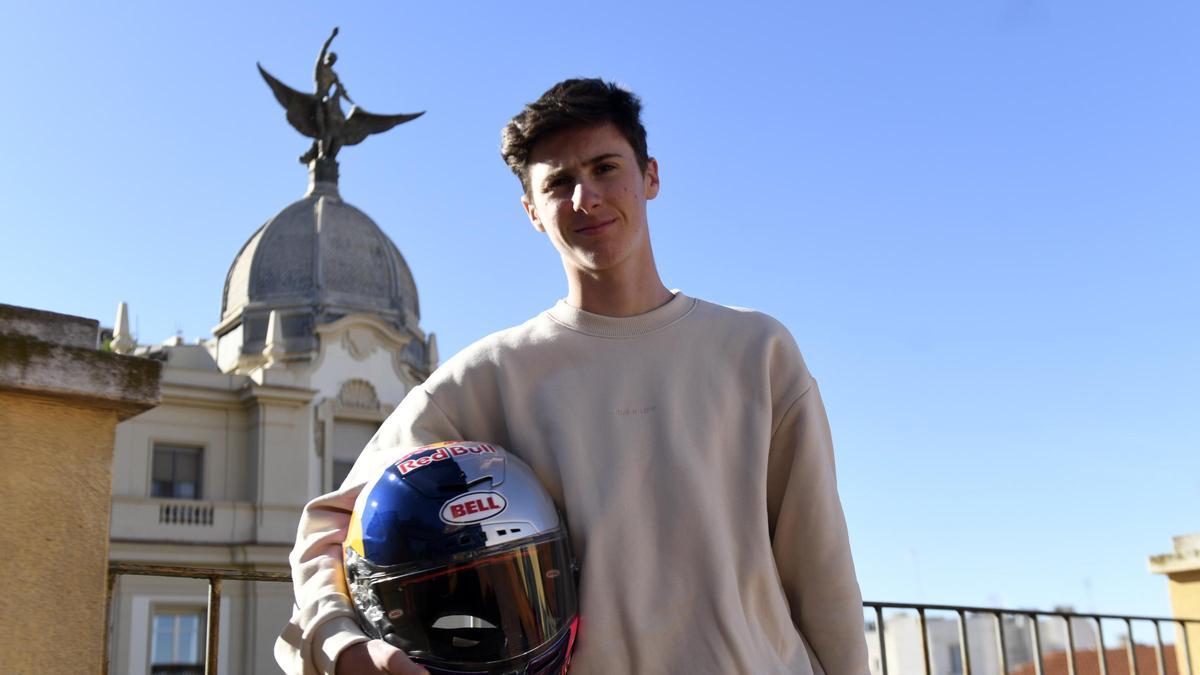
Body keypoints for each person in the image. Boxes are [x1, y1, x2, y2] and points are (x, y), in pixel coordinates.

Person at [275, 78, 868, 675]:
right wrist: (340, 645)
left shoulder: (758, 351)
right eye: (558, 183)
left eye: (605, 168)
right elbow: (332, 523)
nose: (586, 198)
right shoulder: (488, 376)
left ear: (651, 176)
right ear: (532, 212)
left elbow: (821, 570)